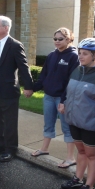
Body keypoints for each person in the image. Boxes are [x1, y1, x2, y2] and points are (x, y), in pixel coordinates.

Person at [0, 15, 33, 162]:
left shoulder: (15, 45)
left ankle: (10, 149)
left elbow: (23, 67)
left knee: (9, 122)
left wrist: (28, 86)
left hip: (8, 91)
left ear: (6, 28)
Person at [59, 38, 95, 189]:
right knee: (82, 151)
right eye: (79, 53)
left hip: (92, 125)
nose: (80, 56)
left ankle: (89, 186)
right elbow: (69, 92)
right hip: (74, 121)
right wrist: (64, 103)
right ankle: (78, 179)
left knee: (92, 155)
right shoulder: (77, 70)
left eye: (85, 54)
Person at [31, 28, 79, 168]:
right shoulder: (52, 55)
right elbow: (44, 76)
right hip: (49, 96)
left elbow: (72, 82)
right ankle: (44, 149)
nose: (57, 41)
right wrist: (32, 89)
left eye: (61, 39)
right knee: (48, 123)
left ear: (69, 39)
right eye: (55, 39)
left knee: (67, 127)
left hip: (63, 98)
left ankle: (71, 158)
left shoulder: (73, 56)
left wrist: (64, 101)